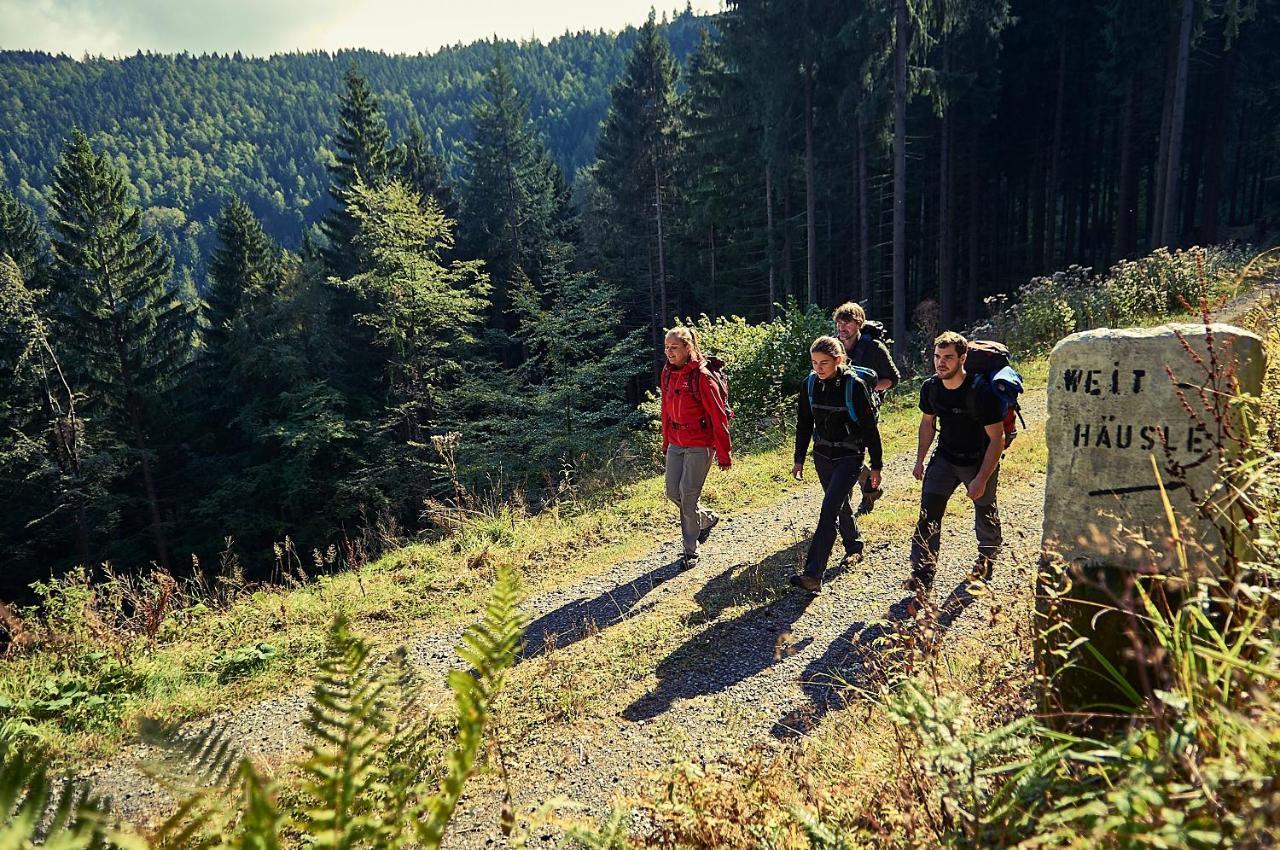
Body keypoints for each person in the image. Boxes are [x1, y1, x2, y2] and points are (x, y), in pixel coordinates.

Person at [909, 331, 1004, 592]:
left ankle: (986, 559)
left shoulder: (980, 392)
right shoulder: (931, 388)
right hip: (945, 458)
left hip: (978, 459)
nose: (941, 363)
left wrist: (981, 478)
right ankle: (923, 573)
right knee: (928, 514)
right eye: (937, 357)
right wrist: (920, 460)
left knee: (985, 511)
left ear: (963, 358)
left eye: (948, 358)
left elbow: (997, 439)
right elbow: (927, 424)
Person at [789, 336, 883, 594]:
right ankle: (854, 546)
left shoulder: (854, 386)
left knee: (828, 510)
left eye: (824, 363)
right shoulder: (809, 384)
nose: (818, 368)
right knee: (838, 503)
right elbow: (804, 424)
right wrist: (799, 459)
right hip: (822, 455)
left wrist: (876, 465)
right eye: (814, 363)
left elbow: (869, 428)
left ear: (838, 361)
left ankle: (813, 574)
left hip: (850, 456)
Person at [660, 327, 732, 570]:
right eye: (667, 347)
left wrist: (724, 453)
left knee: (688, 497)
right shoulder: (668, 373)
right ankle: (707, 519)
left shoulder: (701, 376)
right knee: (673, 492)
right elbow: (665, 409)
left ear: (688, 348)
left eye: (674, 348)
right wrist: (665, 440)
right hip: (677, 441)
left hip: (700, 444)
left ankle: (690, 550)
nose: (669, 352)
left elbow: (718, 415)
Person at [832, 301, 900, 515]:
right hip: (838, 410)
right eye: (839, 324)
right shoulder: (834, 346)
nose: (842, 329)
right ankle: (862, 494)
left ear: (858, 324)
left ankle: (856, 500)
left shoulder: (874, 348)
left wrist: (867, 390)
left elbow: (893, 378)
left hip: (866, 410)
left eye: (847, 324)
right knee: (840, 453)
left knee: (852, 453)